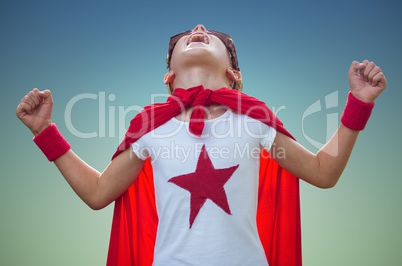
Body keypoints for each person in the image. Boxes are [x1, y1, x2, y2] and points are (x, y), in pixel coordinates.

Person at [16, 24, 387, 266]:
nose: (198, 29)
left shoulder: (253, 119)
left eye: (216, 36)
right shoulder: (149, 127)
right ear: (169, 75)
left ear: (235, 74)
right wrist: (45, 131)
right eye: (182, 36)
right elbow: (98, 193)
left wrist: (361, 103)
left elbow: (323, 173)